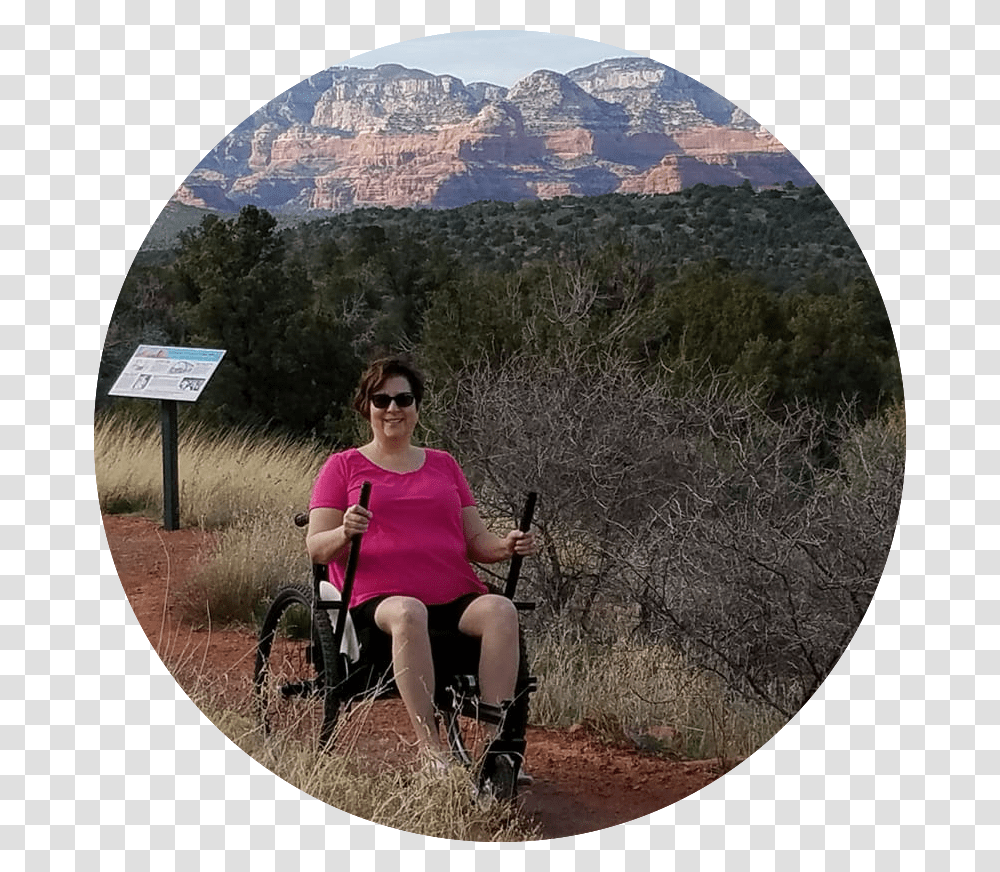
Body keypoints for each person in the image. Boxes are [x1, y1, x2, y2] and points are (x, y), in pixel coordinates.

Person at [305, 356, 536, 775]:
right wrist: (345, 531)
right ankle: (433, 750)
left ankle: (497, 747)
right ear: (367, 407)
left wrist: (506, 547)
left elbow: (475, 542)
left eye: (403, 398)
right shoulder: (342, 466)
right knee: (409, 611)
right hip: (379, 601)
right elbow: (317, 549)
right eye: (382, 399)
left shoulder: (444, 464)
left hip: (453, 592)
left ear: (416, 407)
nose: (393, 408)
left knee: (501, 610)